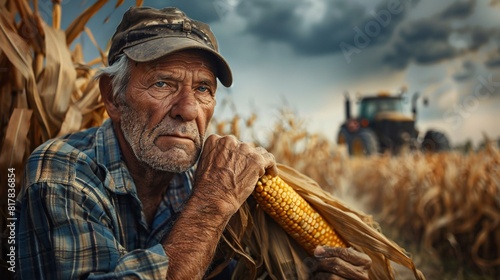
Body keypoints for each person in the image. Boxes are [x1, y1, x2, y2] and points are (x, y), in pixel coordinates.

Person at [15, 6, 371, 279]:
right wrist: (213, 203)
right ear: (113, 98)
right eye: (163, 84)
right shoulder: (60, 173)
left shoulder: (202, 178)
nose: (187, 110)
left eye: (203, 89)